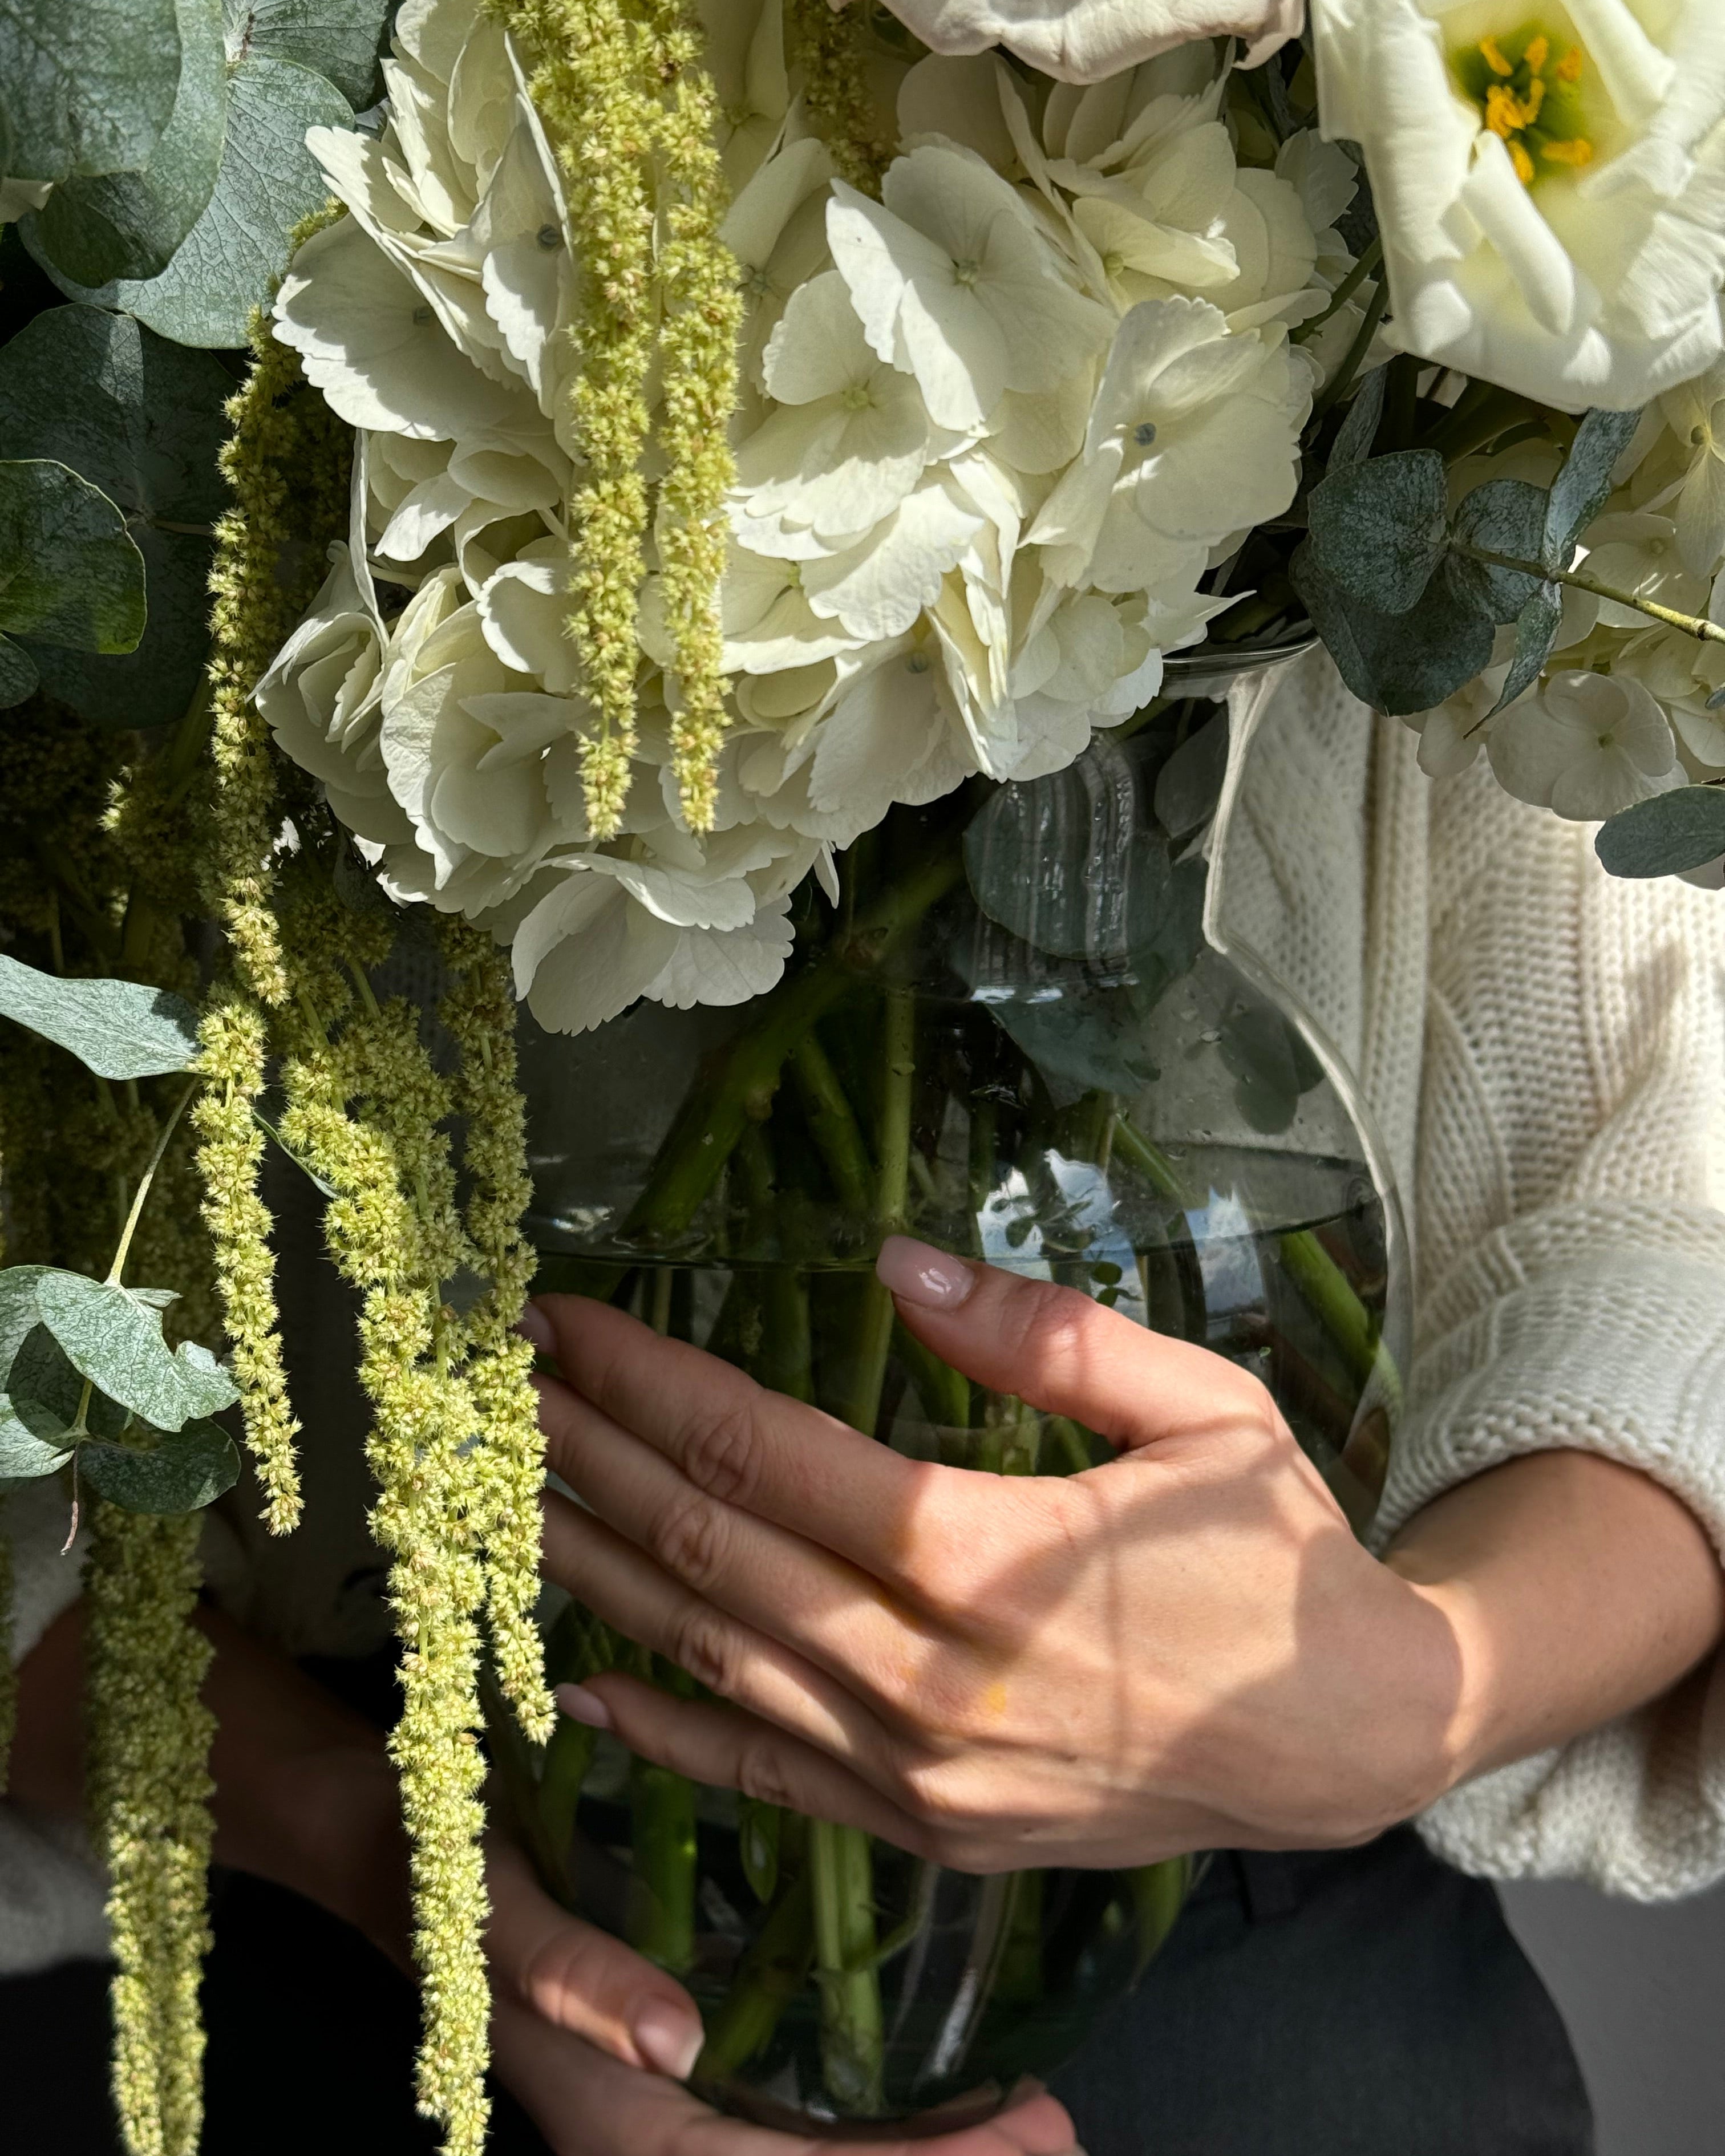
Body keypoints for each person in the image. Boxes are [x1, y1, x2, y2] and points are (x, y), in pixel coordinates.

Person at [7, 651, 1725, 2153]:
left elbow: (1670, 1230)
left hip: (1254, 1924)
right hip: (377, 1869)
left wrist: (1425, 1682)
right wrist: (429, 1885)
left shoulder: (1417, 378)